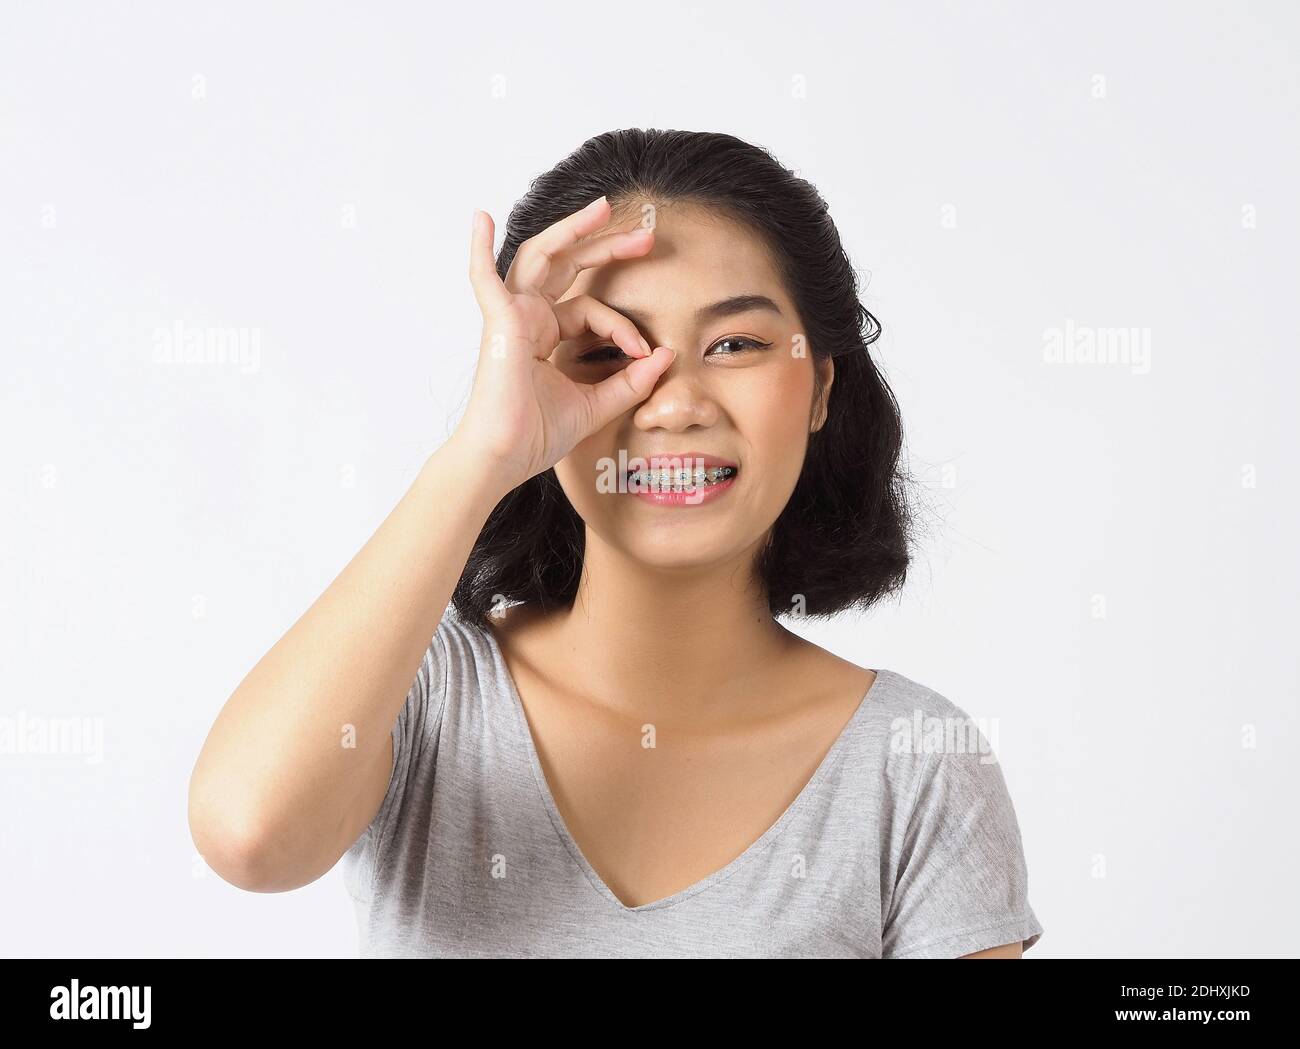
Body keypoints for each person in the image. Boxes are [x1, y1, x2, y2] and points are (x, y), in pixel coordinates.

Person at [188, 129, 1044, 959]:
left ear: (820, 386)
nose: (673, 405)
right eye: (606, 351)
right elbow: (249, 835)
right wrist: (483, 455)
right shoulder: (422, 695)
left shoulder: (914, 765)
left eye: (735, 344)